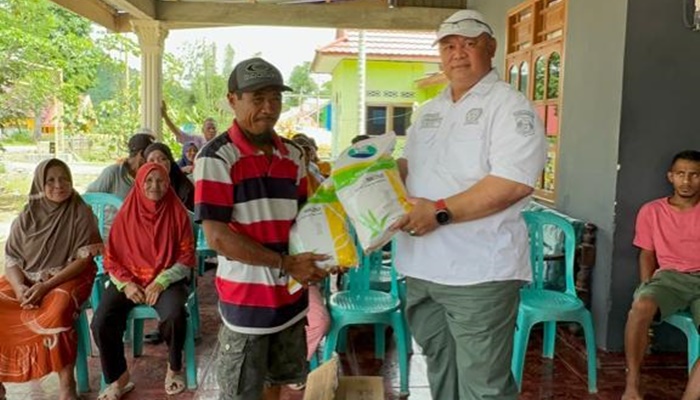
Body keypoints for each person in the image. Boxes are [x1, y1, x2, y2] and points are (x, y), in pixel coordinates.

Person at [391, 9, 546, 400]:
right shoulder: (430, 111)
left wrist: (439, 211)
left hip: (478, 273)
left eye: (469, 43)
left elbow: (512, 183)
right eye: (448, 45)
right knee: (442, 371)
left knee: (484, 386)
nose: (457, 53)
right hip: (421, 267)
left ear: (490, 48)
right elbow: (410, 169)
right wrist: (367, 175)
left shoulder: (509, 107)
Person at [194, 57, 329, 400]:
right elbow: (218, 237)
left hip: (291, 299)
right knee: (242, 393)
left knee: (277, 385)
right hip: (246, 304)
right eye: (257, 99)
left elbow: (304, 220)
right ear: (232, 100)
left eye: (275, 98)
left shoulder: (295, 155)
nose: (268, 108)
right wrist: (285, 264)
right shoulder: (217, 157)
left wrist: (327, 256)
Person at [91, 163, 195, 400]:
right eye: (148, 181)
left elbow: (187, 257)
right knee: (101, 321)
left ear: (168, 183)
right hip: (129, 280)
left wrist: (161, 280)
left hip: (167, 279)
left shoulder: (177, 213)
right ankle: (119, 378)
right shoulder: (126, 215)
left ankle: (174, 368)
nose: (154, 186)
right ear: (138, 183)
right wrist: (126, 284)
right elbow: (112, 259)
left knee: (174, 314)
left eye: (160, 181)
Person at [0, 159, 102, 400]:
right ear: (39, 184)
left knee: (57, 309)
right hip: (26, 279)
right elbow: (12, 258)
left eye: (64, 178)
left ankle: (67, 383)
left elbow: (83, 260)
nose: (60, 185)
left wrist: (46, 285)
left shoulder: (80, 211)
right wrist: (20, 287)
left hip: (70, 275)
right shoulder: (26, 217)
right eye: (51, 180)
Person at [622, 150, 700, 400]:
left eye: (695, 175)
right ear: (670, 177)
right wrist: (646, 285)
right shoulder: (652, 211)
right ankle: (632, 385)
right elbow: (646, 253)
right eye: (680, 174)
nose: (686, 181)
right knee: (640, 307)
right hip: (669, 278)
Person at [86, 132, 155, 199]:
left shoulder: (150, 175)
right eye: (150, 155)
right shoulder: (113, 172)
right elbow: (89, 197)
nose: (153, 160)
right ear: (141, 154)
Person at [144, 142, 195, 211]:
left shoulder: (185, 190)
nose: (157, 164)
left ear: (170, 162)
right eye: (151, 160)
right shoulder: (143, 189)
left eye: (162, 159)